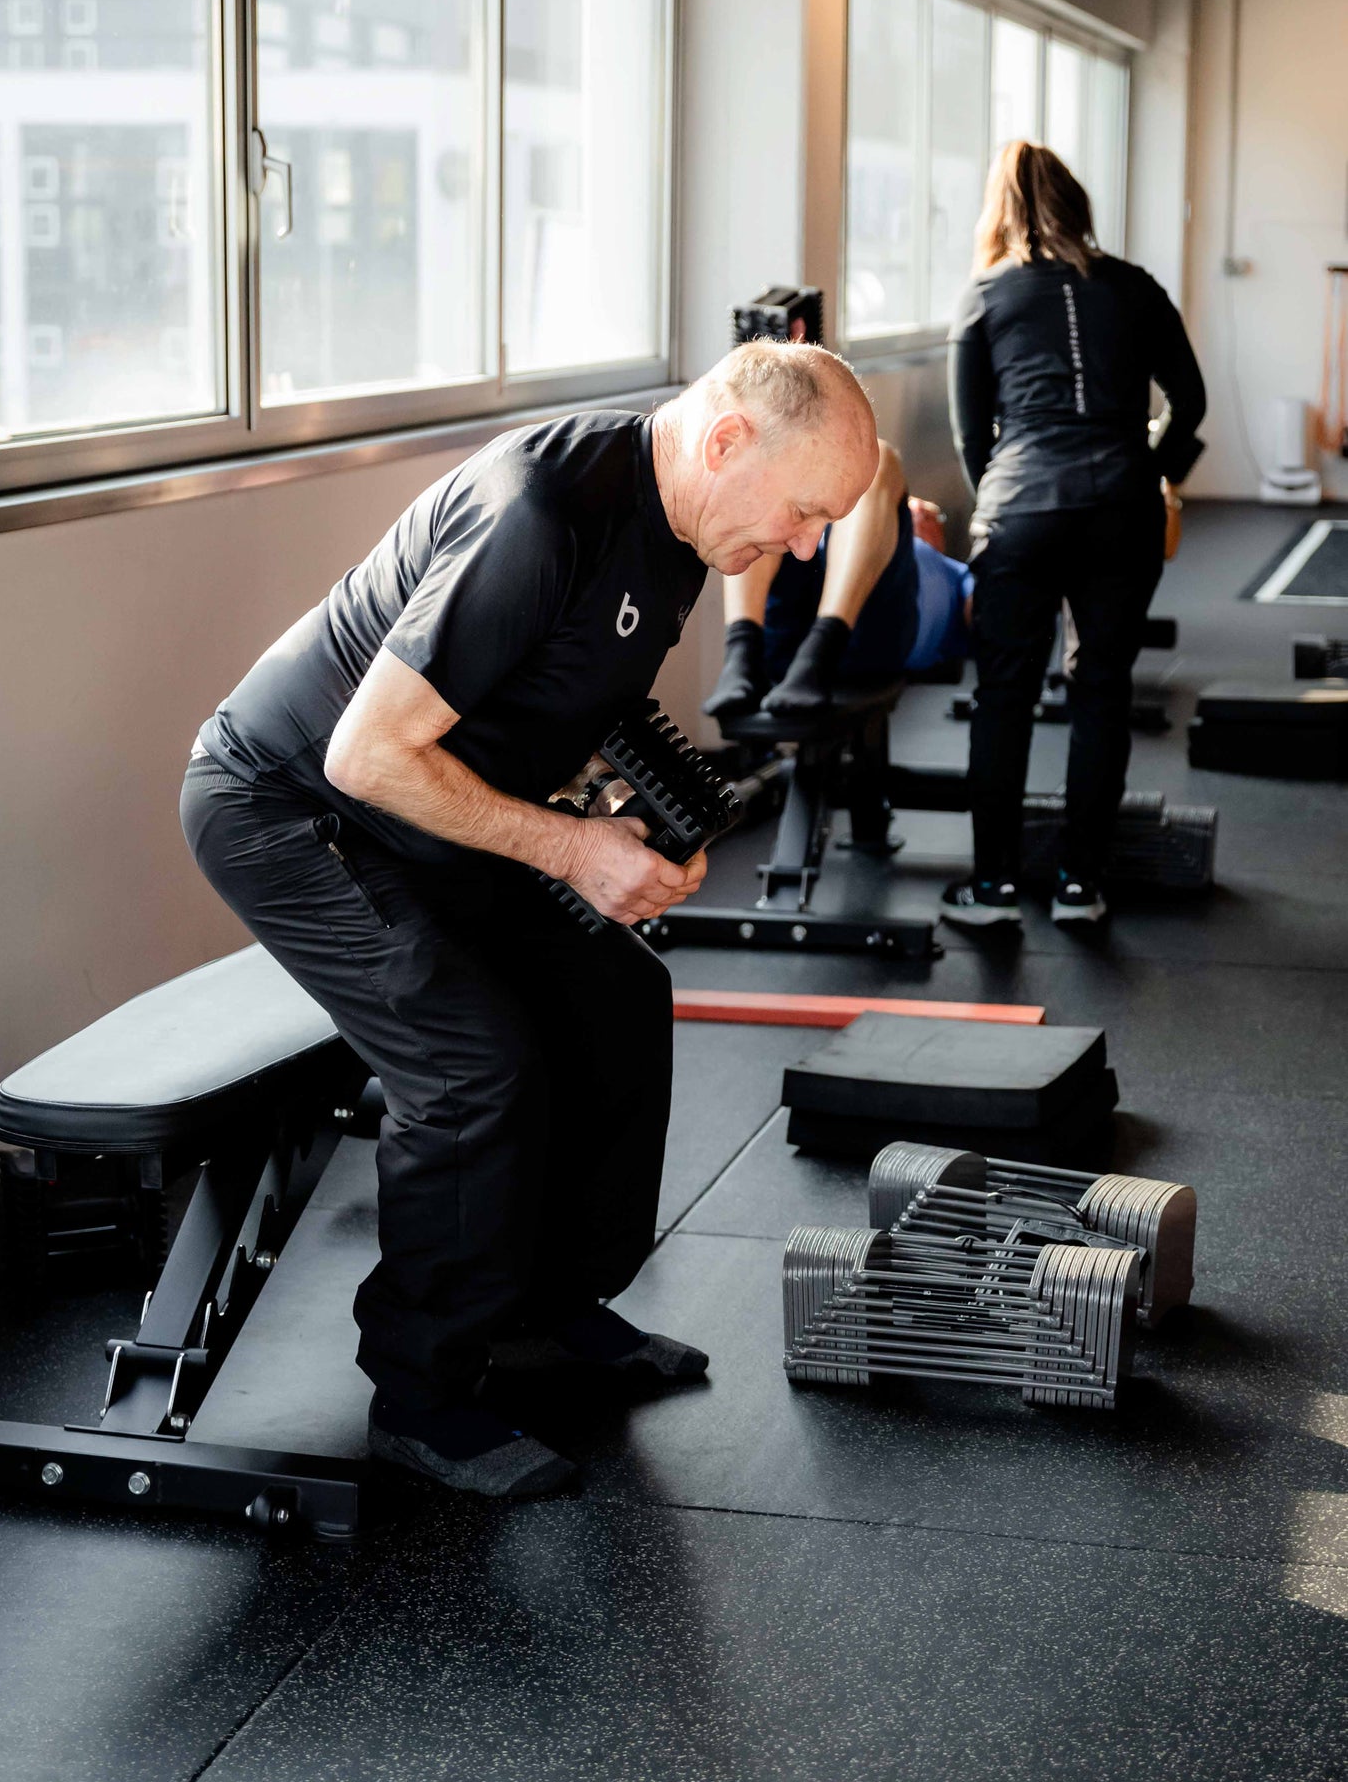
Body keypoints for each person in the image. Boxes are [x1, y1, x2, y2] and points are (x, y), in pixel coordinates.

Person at [180, 342, 879, 1499]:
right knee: (470, 1064)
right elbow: (365, 754)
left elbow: (564, 701)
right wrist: (571, 850)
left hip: (425, 810)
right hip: (292, 807)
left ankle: (548, 1314)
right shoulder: (541, 513)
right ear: (724, 443)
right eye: (805, 513)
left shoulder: (684, 533)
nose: (806, 546)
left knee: (614, 995)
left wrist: (634, 825)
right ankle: (420, 1391)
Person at [940, 140, 1205, 931]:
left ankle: (990, 890)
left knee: (1003, 696)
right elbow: (1187, 403)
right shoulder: (1135, 286)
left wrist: (1003, 498)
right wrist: (1147, 467)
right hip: (1122, 507)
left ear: (1000, 210)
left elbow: (967, 439)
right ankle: (1079, 887)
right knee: (1101, 691)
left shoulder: (983, 295)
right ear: (1078, 204)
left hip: (1020, 507)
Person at [705, 438, 974, 718]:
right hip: (784, 641)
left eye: (933, 515)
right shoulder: (836, 532)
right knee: (766, 464)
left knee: (877, 456)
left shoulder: (958, 576)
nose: (919, 510)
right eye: (911, 505)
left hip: (870, 638)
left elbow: (990, 612)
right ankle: (741, 653)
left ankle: (821, 650)